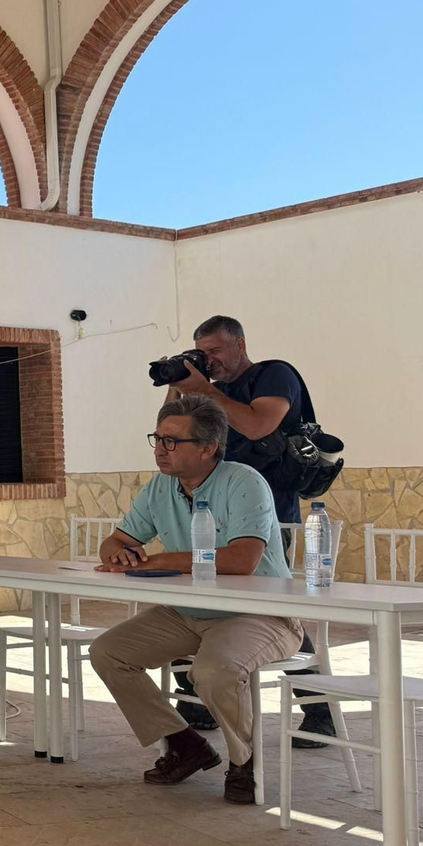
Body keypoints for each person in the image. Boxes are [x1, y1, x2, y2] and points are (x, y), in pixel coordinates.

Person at [86, 395, 302, 805]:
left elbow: (242, 561)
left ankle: (245, 763)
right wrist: (116, 552)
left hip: (261, 614)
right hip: (188, 612)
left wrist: (162, 560)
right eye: (157, 439)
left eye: (172, 441)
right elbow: (116, 539)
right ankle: (185, 745)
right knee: (109, 652)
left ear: (208, 448)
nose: (160, 450)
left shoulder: (244, 481)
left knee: (214, 671)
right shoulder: (160, 487)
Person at [164, 315, 335, 743]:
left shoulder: (275, 375)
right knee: (208, 597)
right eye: (202, 352)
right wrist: (178, 385)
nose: (210, 360)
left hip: (269, 510)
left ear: (240, 344)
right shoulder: (206, 387)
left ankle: (319, 709)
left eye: (216, 351)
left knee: (273, 606)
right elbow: (174, 427)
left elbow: (259, 425)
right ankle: (197, 699)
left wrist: (205, 389)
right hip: (213, 506)